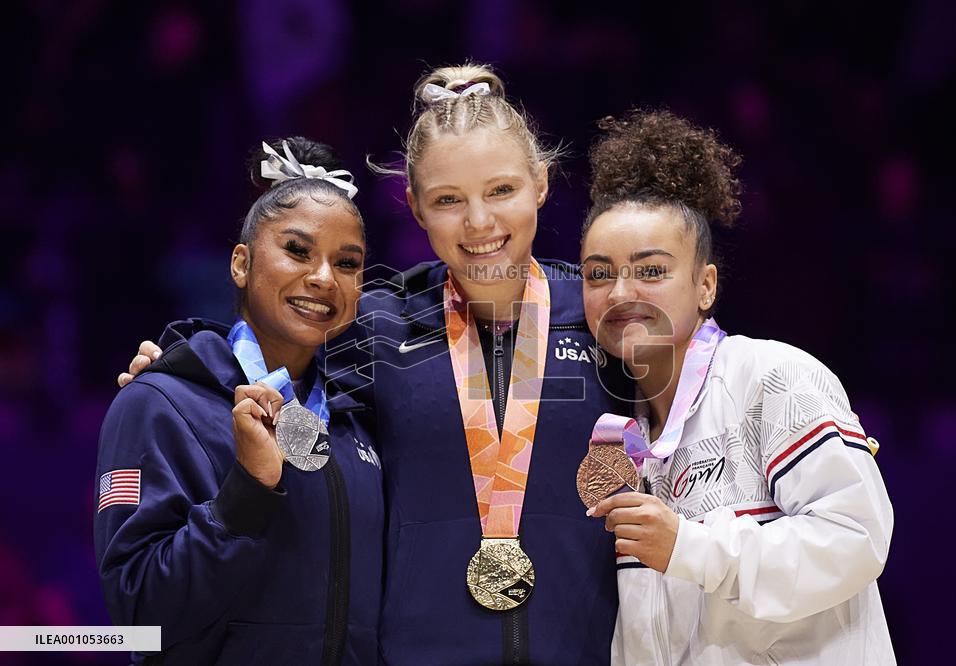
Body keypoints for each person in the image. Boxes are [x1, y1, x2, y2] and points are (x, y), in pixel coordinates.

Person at [120, 64, 633, 665]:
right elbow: (270, 341)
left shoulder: (604, 316)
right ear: (415, 207)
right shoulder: (376, 326)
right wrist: (183, 364)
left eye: (501, 190)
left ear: (541, 184)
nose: (479, 222)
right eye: (448, 200)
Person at [580, 109, 895, 665]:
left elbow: (856, 536)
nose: (621, 292)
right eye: (599, 274)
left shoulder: (774, 379)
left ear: (705, 285)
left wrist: (692, 548)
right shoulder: (616, 433)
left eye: (651, 271)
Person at [96, 137, 383, 665]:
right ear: (241, 264)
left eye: (347, 263)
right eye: (297, 250)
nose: (323, 278)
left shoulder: (363, 421)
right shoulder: (157, 403)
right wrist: (246, 491)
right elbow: (138, 617)